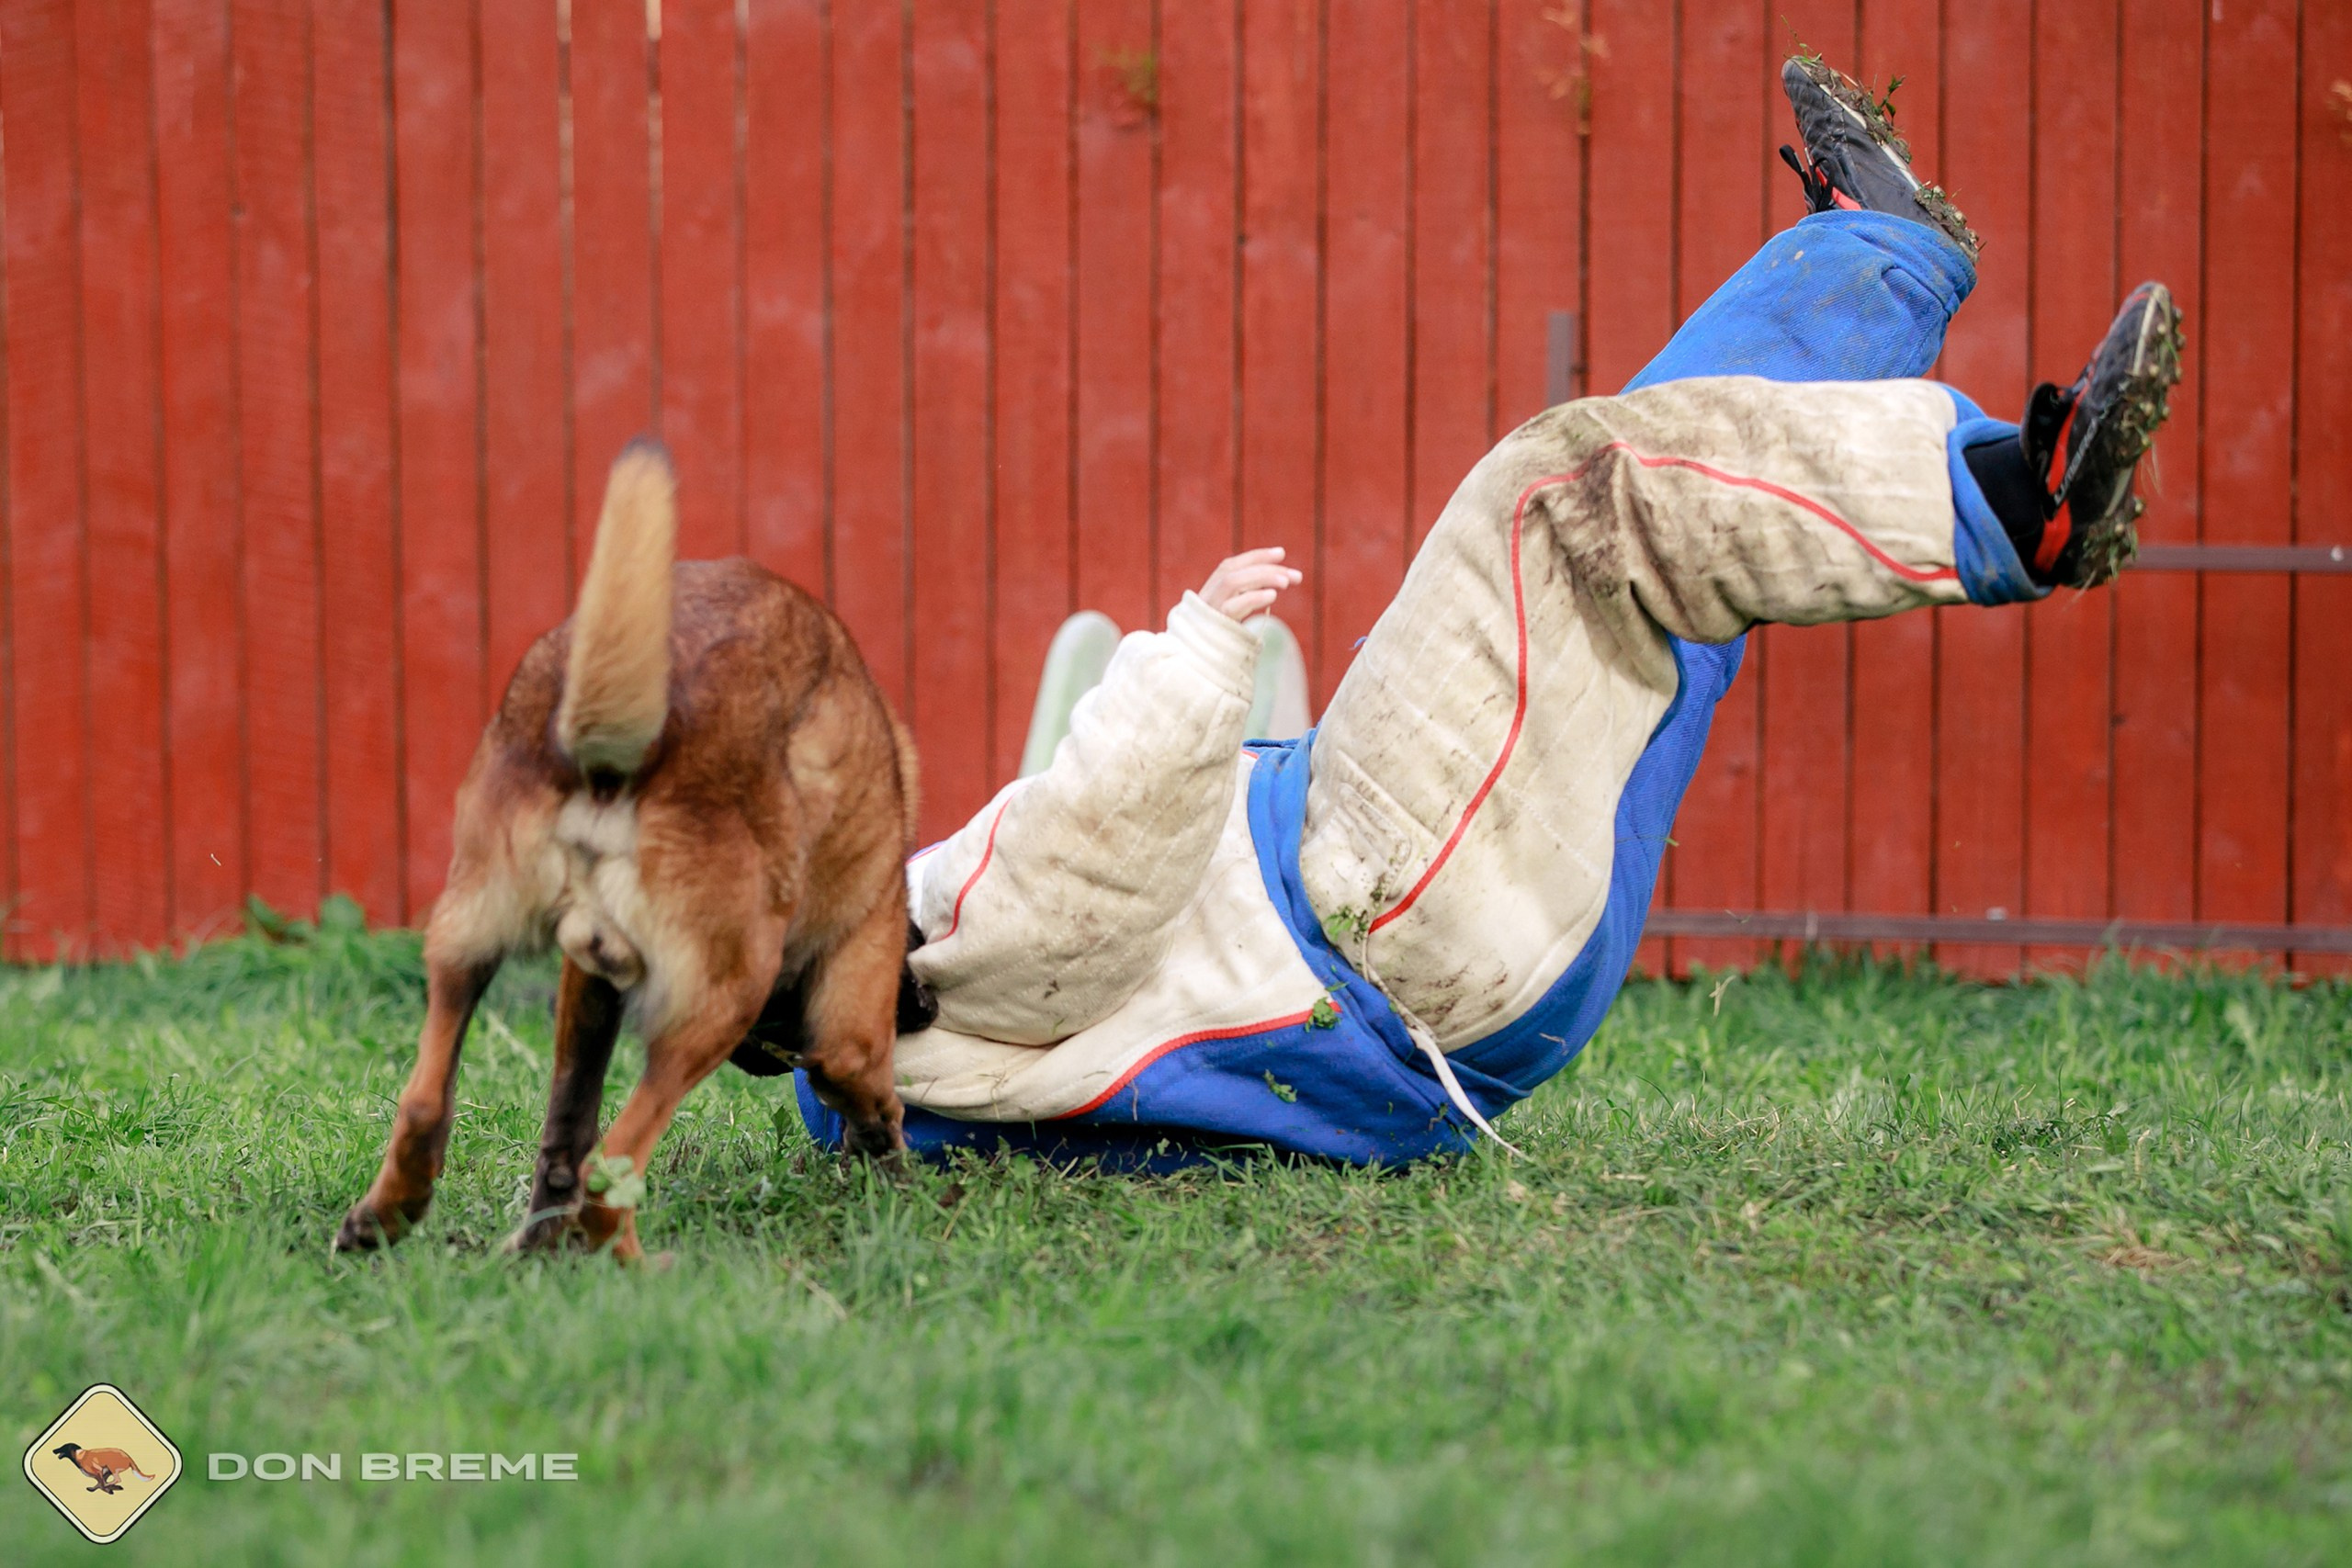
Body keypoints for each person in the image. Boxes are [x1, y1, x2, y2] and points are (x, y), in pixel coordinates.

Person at [789, 56, 2184, 1167]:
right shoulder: (895, 962)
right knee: (1565, 498)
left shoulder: (870, 1087)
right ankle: (2020, 502)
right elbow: (1099, 865)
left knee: (1672, 544)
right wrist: (1202, 647)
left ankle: (1877, 255)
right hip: (1376, 912)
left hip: (1444, 1008)